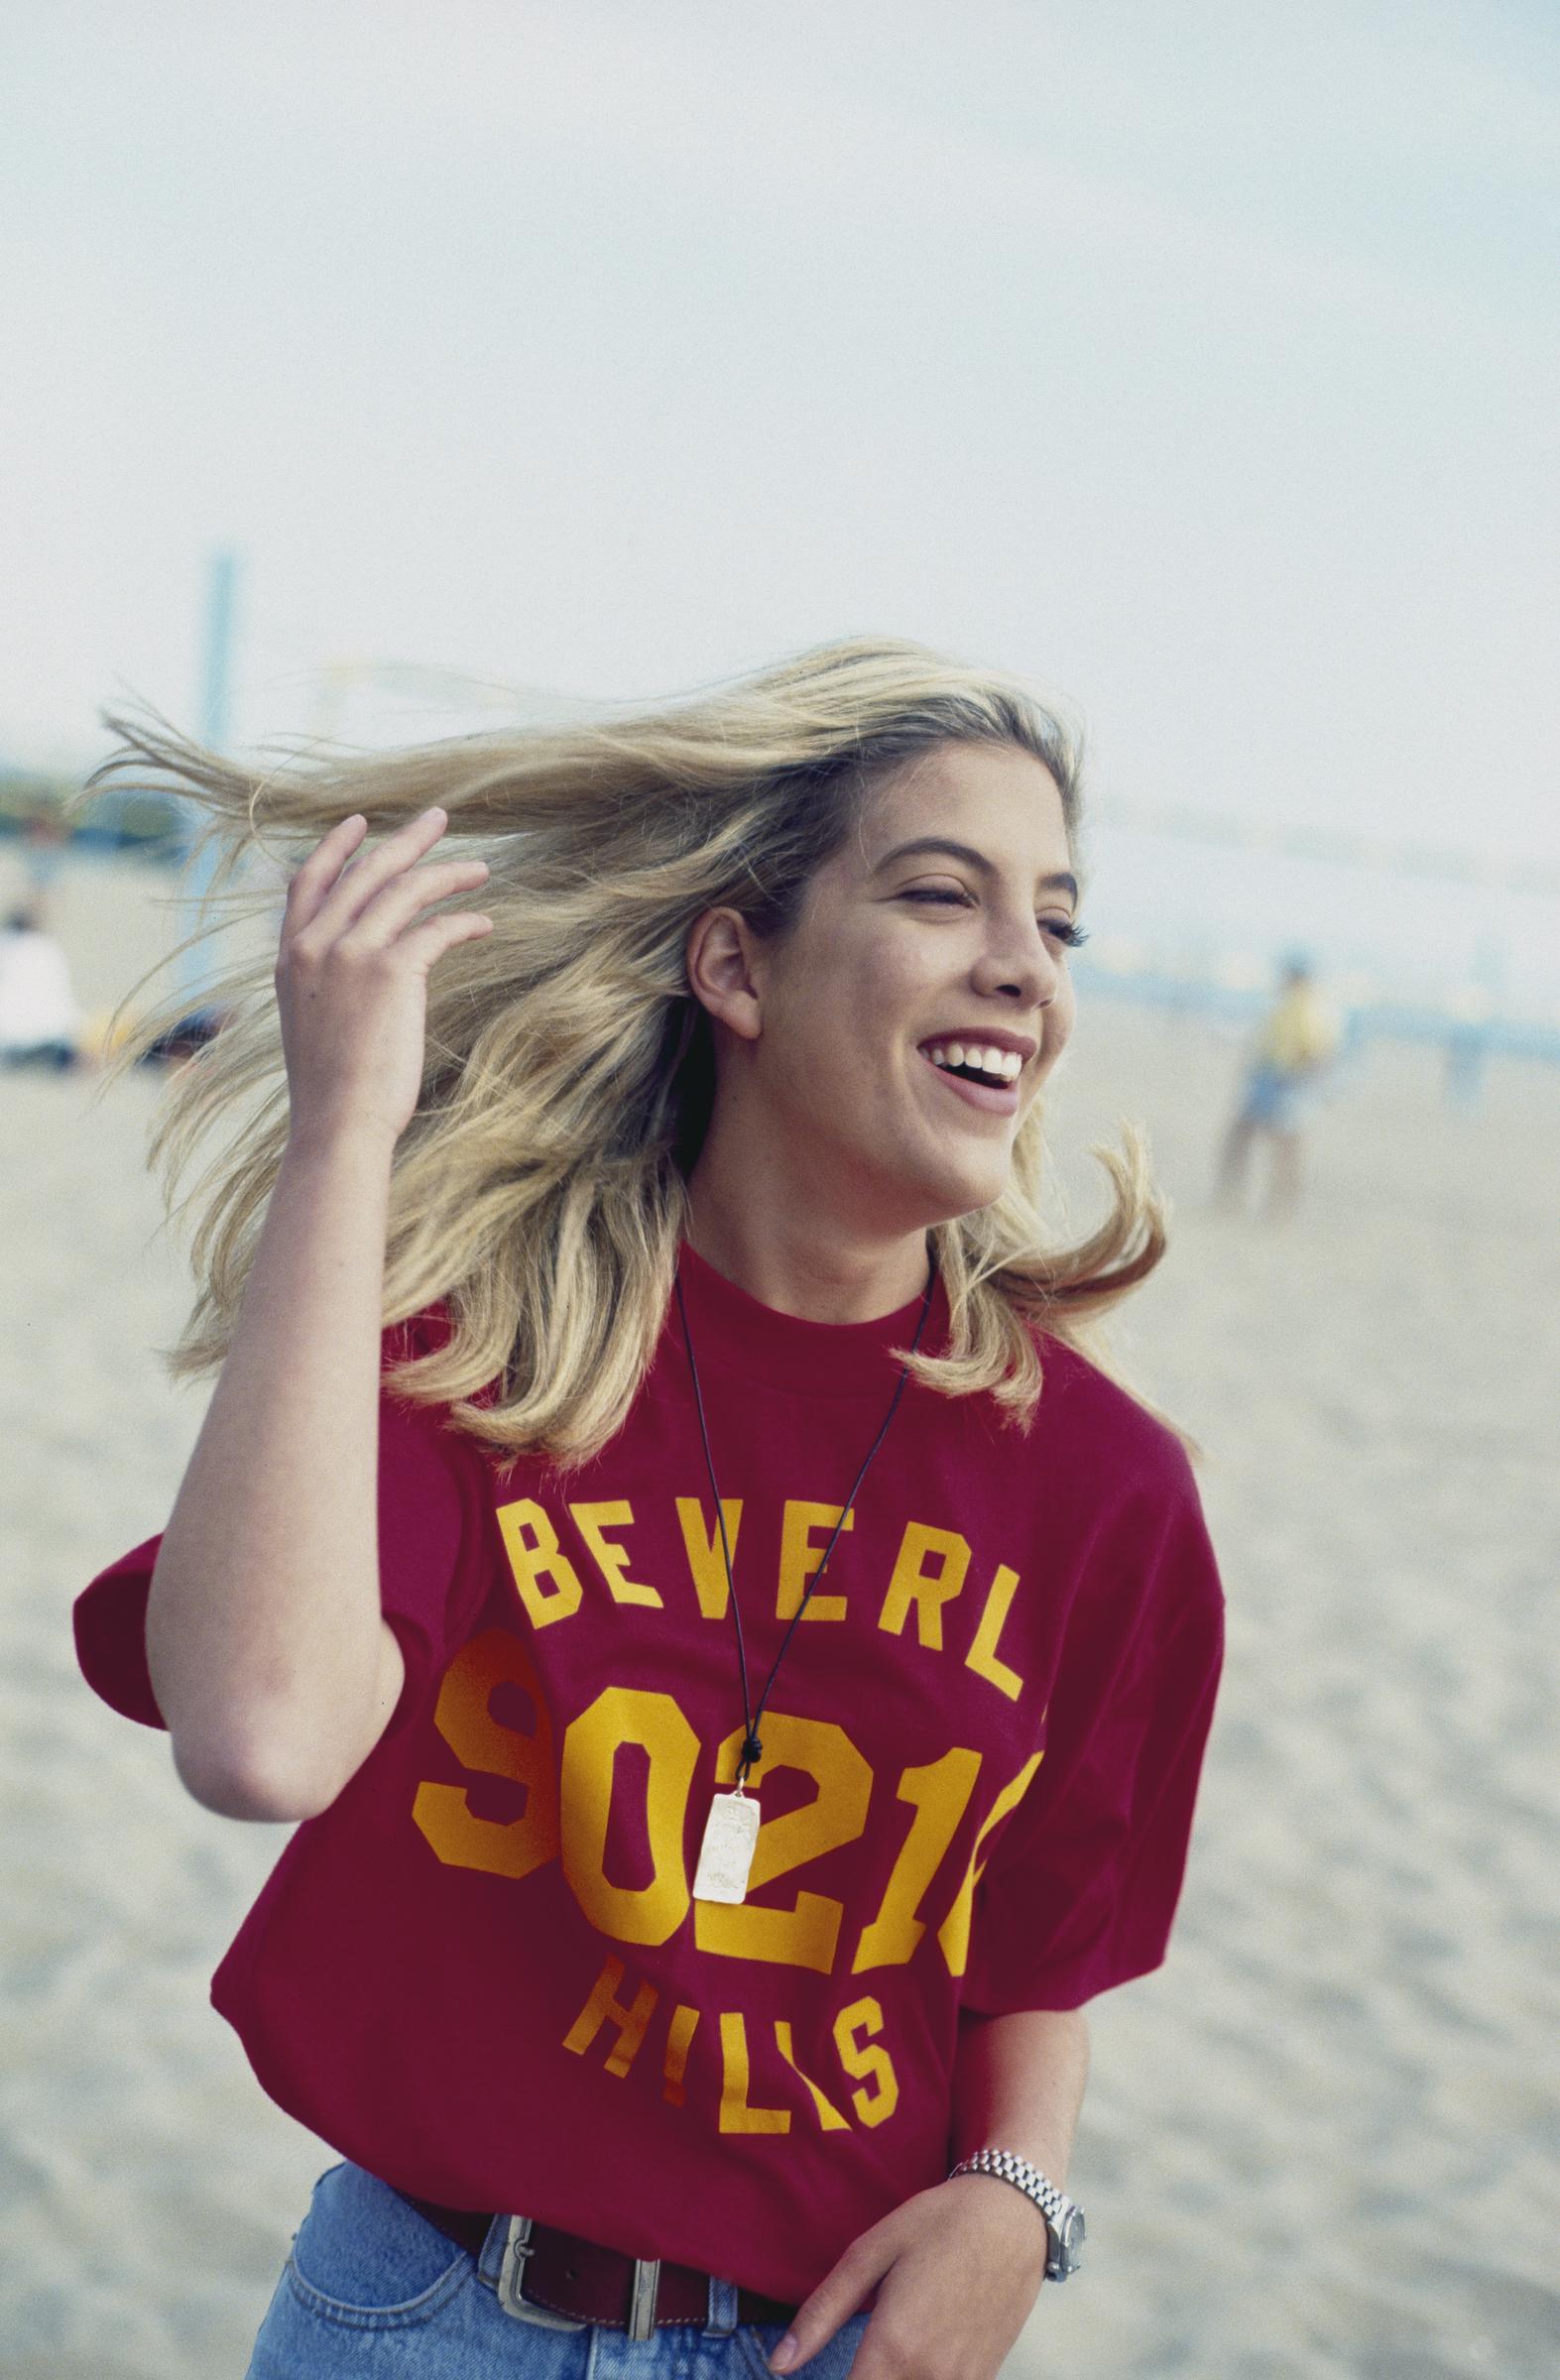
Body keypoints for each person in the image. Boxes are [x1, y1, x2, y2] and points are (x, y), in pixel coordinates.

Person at [74, 639, 1226, 2380]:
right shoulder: (484, 1362)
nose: (1023, 969)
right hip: (417, 2318)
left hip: (821, 2343)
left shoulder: (1100, 1484)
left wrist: (1016, 2196)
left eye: (1054, 925)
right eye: (942, 894)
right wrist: (345, 1144)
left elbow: (1038, 1938)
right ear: (734, 964)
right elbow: (260, 1737)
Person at [1216, 953, 1340, 1220]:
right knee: (1247, 1139)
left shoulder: (1308, 1007)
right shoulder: (1290, 1004)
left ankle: (1279, 1209)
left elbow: (1318, 1052)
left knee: (1285, 1149)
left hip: (1286, 1084)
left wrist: (1307, 1086)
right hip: (1270, 1079)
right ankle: (1235, 1199)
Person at [0, 898, 81, 1069]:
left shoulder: (8, 945)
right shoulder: (48, 949)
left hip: (10, 1035)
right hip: (49, 1033)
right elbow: (61, 1001)